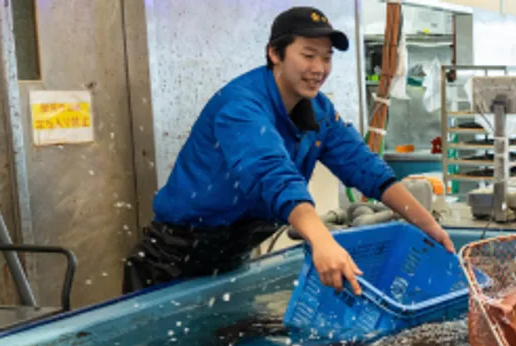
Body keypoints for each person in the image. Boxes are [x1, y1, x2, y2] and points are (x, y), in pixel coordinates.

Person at [123, 6, 453, 296]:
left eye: (326, 58)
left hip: (230, 259)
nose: (319, 68)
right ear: (275, 54)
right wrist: (322, 241)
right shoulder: (241, 106)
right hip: (173, 261)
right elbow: (273, 176)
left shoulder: (319, 110)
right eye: (308, 55)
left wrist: (428, 226)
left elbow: (365, 167)